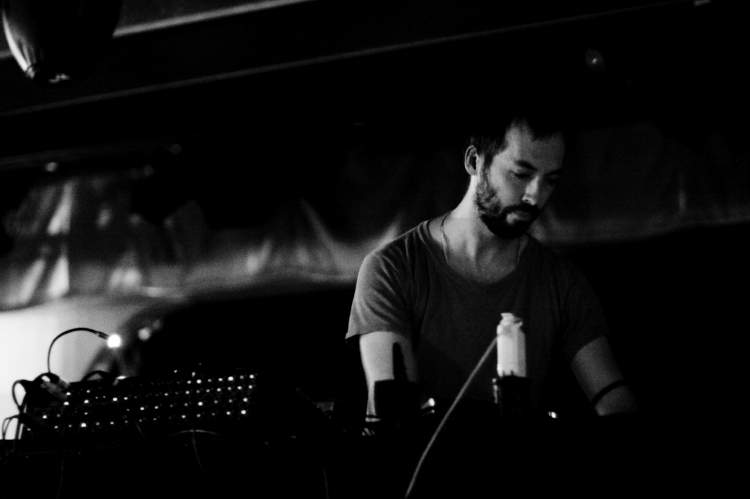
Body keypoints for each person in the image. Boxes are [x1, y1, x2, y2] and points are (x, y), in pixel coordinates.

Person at [346, 107, 638, 421]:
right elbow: (394, 414)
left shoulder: (563, 283)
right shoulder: (393, 268)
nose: (535, 196)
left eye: (550, 180)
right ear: (474, 161)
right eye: (521, 174)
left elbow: (614, 400)